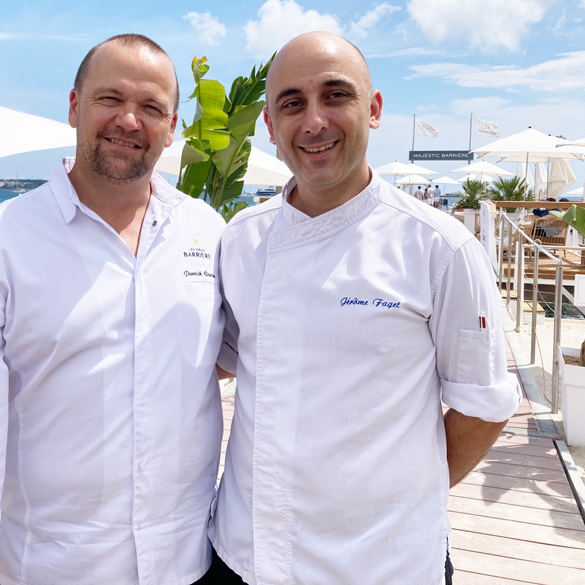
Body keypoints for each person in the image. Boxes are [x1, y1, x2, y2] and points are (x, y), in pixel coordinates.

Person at [208, 32, 521, 584]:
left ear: (372, 109)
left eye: (335, 95)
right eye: (292, 103)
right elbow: (225, 358)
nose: (314, 122)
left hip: (382, 565)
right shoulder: (241, 239)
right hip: (243, 555)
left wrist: (392, 501)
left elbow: (484, 405)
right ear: (269, 124)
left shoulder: (440, 247)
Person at [0, 34, 228, 585]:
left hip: (187, 561)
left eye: (152, 107)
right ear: (74, 106)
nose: (129, 121)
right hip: (51, 567)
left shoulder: (208, 233)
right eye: (110, 99)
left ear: (173, 126)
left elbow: (228, 353)